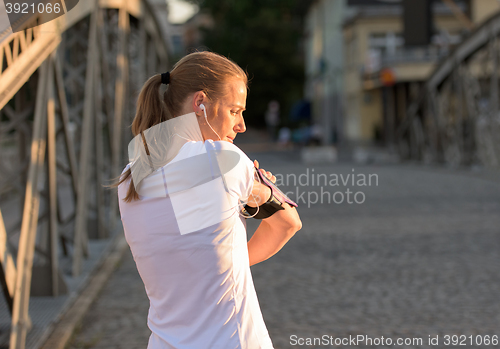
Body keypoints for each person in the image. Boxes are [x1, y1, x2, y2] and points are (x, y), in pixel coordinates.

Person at [115, 51, 302, 349]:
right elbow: (288, 223)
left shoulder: (129, 177)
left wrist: (227, 262)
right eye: (234, 111)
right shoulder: (223, 159)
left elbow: (192, 246)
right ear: (200, 103)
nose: (240, 125)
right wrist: (264, 191)